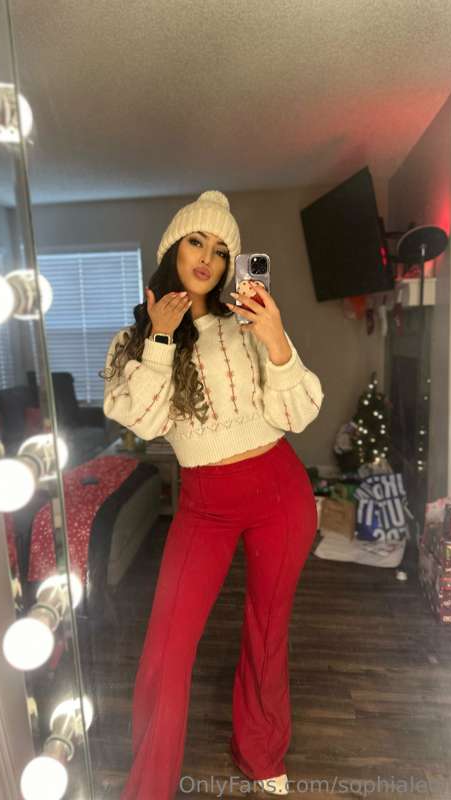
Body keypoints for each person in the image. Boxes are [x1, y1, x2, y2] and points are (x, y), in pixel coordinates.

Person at [100, 190, 324, 798]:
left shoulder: (245, 324)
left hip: (279, 491)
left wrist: (276, 339)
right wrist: (160, 339)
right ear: (171, 249)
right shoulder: (130, 342)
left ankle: (261, 752)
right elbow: (143, 421)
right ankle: (148, 785)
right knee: (167, 647)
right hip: (204, 503)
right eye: (197, 242)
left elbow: (297, 413)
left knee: (267, 628)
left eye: (222, 250)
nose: (207, 257)